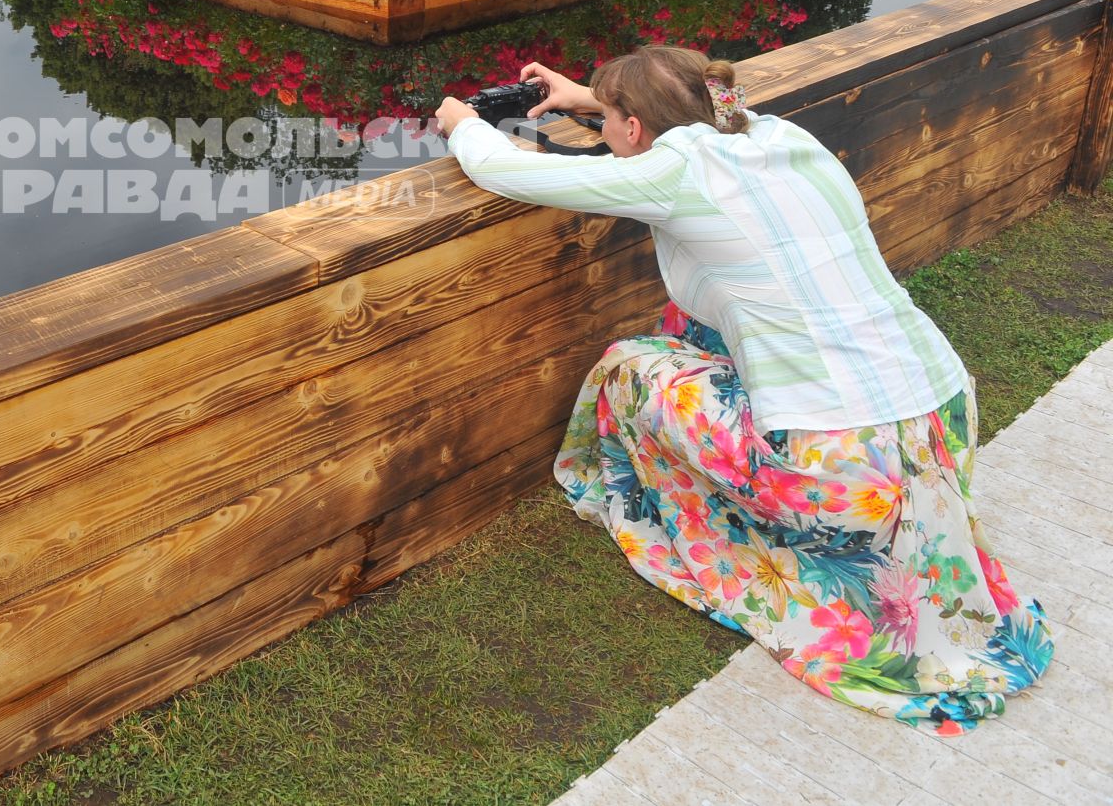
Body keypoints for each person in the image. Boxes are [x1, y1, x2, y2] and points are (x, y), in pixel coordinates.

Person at [435, 45, 1053, 731]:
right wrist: (588, 96)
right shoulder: (778, 134)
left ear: (635, 129)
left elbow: (510, 168)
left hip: (838, 463)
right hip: (941, 415)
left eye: (610, 121)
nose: (606, 131)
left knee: (630, 367)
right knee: (697, 328)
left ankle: (684, 512)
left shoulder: (673, 169)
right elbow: (697, 116)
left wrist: (464, 121)